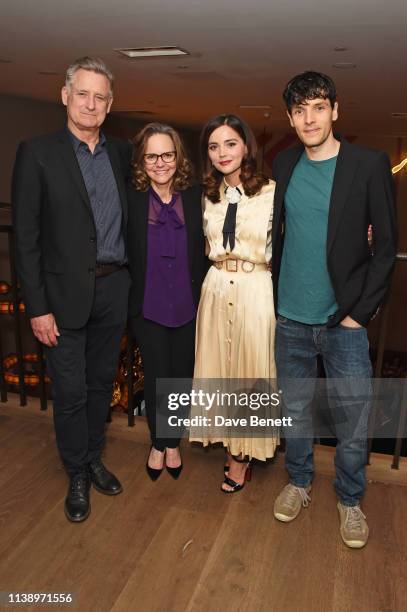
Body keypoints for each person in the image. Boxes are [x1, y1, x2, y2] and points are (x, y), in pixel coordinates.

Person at [271, 71, 397, 548]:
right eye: (300, 110)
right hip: (290, 319)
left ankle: (349, 500)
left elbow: (386, 248)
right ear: (290, 117)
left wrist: (357, 315)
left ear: (335, 111)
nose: (310, 118)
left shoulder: (368, 164)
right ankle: (299, 483)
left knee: (352, 418)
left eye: (319, 107)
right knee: (295, 412)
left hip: (343, 322)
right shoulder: (282, 163)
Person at [12, 57, 132, 522]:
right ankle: (77, 471)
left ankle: (94, 455)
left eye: (101, 96)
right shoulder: (37, 152)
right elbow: (25, 239)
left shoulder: (121, 153)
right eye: (83, 93)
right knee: (70, 390)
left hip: (113, 289)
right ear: (65, 96)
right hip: (60, 300)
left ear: (110, 104)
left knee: (103, 385)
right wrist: (37, 307)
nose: (91, 103)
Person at [190, 114, 278, 493]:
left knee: (249, 370)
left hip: (255, 287)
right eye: (213, 146)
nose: (222, 153)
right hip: (215, 288)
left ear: (246, 147)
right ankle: (230, 443)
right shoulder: (207, 196)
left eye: (230, 143)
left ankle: (241, 456)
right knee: (219, 368)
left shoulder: (274, 192)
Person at [127, 123, 206, 480]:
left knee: (182, 376)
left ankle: (172, 441)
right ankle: (159, 443)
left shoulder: (196, 196)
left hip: (189, 303)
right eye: (152, 156)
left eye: (167, 154)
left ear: (178, 157)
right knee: (158, 375)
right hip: (149, 304)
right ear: (142, 161)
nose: (160, 163)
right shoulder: (131, 199)